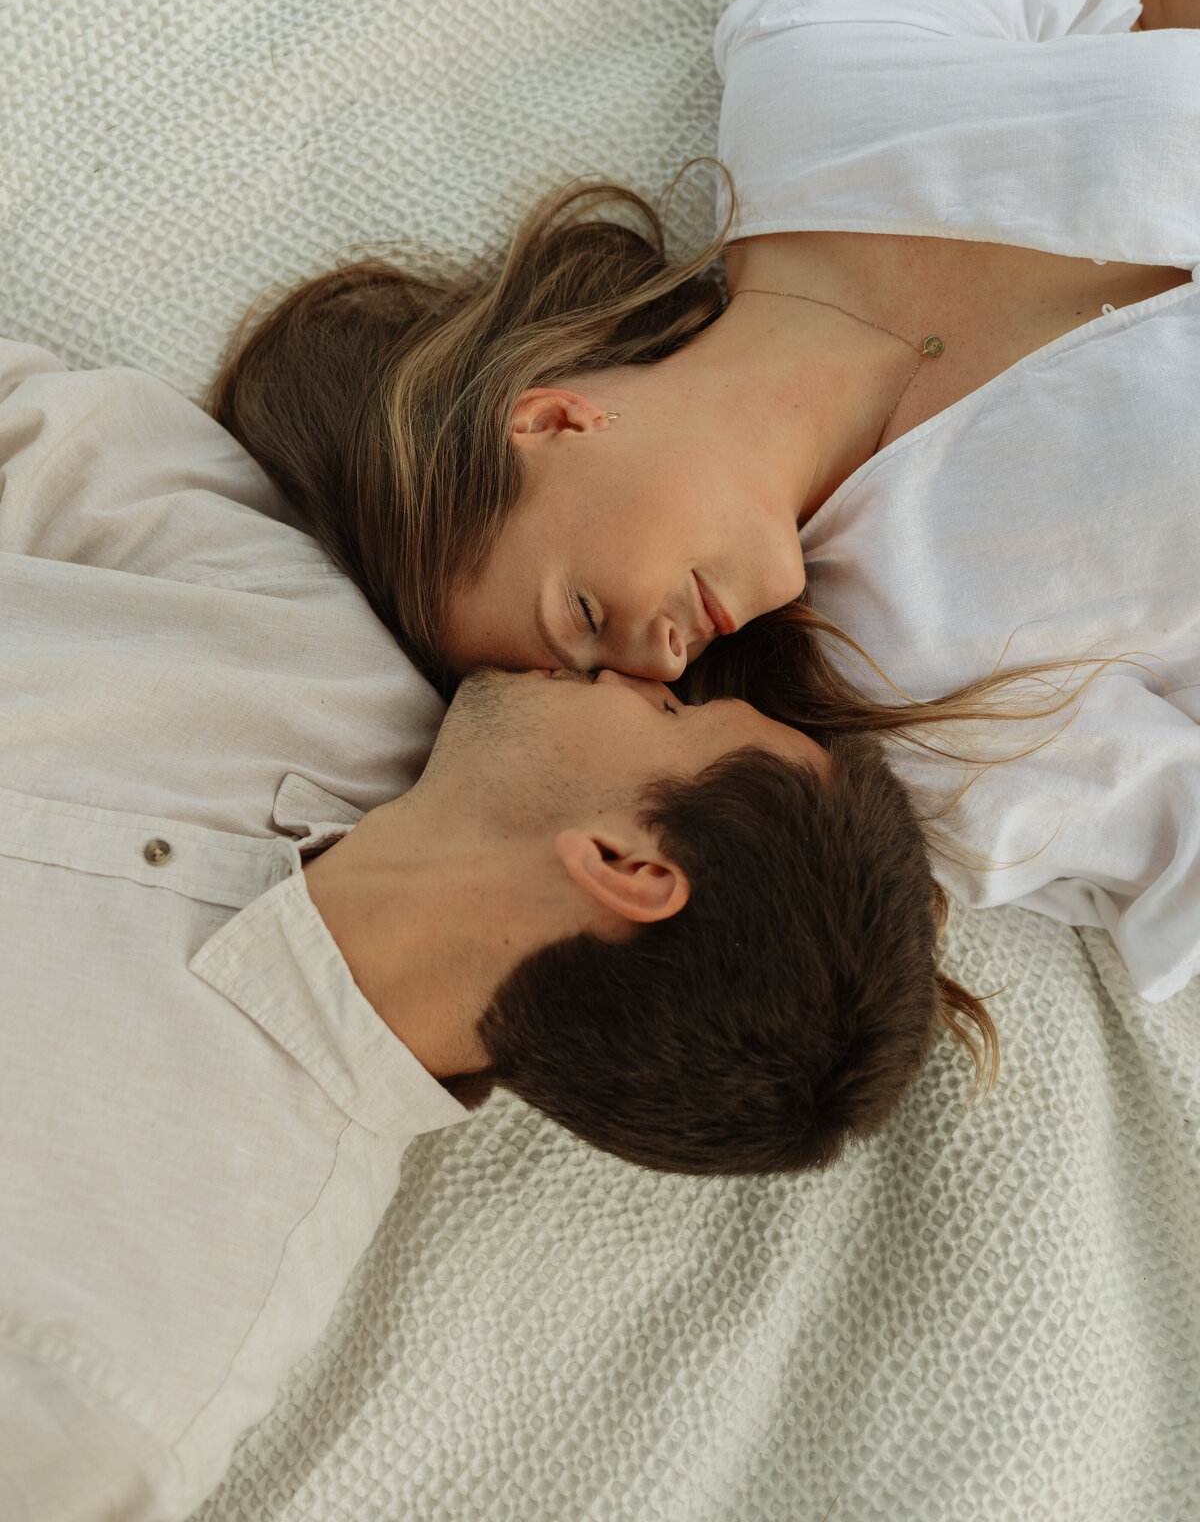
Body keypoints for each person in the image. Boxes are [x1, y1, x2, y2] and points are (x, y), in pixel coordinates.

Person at [0, 334, 985, 1521]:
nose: (636, 674)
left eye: (674, 717)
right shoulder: (302, 645)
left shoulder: (127, 1360)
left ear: (626, 865)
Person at [213, 0, 1200, 1007]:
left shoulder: (814, 74)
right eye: (611, 681)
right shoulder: (918, 702)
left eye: (583, 616)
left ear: (555, 417)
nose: (653, 667)